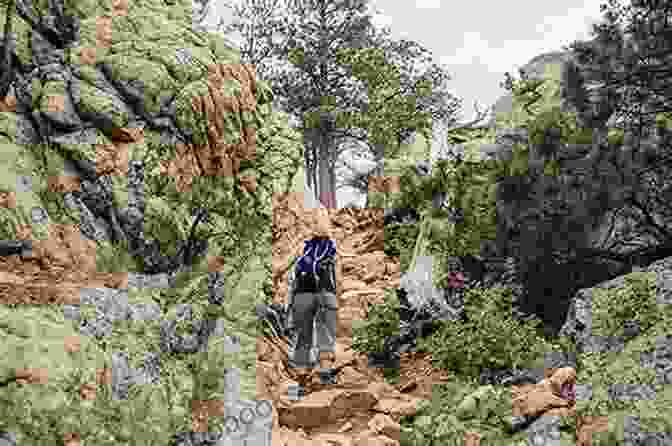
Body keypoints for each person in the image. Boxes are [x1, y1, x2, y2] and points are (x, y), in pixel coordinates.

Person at [286, 209, 339, 385]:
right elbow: (338, 273)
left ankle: (301, 373)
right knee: (325, 331)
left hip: (303, 292)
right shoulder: (333, 245)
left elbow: (288, 266)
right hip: (326, 292)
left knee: (303, 333)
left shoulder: (303, 245)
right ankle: (324, 371)